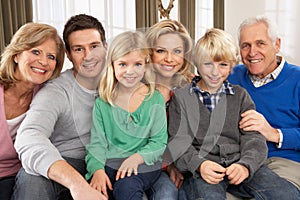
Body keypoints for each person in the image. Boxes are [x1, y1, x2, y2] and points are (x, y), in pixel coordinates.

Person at [167, 28, 300, 199]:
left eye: (222, 65)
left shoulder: (240, 95)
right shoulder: (182, 97)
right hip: (204, 170)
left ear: (232, 67)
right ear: (198, 65)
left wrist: (246, 165)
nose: (215, 72)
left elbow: (253, 138)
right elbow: (178, 142)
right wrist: (200, 165)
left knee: (286, 195)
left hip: (240, 164)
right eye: (208, 64)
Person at [12, 14, 107, 200]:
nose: (89, 56)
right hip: (66, 161)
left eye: (94, 46)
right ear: (69, 55)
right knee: (31, 176)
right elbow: (29, 135)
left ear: (105, 47)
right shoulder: (56, 90)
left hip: (109, 162)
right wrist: (77, 184)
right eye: (79, 49)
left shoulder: (124, 80)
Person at [85, 31, 168, 200]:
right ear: (113, 65)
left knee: (127, 187)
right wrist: (97, 170)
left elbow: (159, 142)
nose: (130, 71)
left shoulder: (155, 99)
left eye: (137, 64)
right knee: (96, 190)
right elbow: (97, 144)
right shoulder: (103, 103)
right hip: (111, 163)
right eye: (123, 64)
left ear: (145, 64)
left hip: (144, 163)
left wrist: (136, 158)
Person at [228, 15, 300, 191]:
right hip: (238, 161)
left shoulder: (297, 79)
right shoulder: (231, 75)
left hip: (283, 162)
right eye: (246, 46)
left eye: (260, 43)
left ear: (277, 44)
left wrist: (274, 133)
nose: (252, 52)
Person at [0, 22, 64, 200]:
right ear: (16, 55)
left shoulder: (47, 95)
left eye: (51, 56)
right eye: (35, 52)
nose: (43, 61)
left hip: (24, 174)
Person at [145, 19, 194, 200]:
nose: (169, 59)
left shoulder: (194, 86)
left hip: (188, 163)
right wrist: (168, 164)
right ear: (150, 53)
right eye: (160, 51)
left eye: (177, 52)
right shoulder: (137, 88)